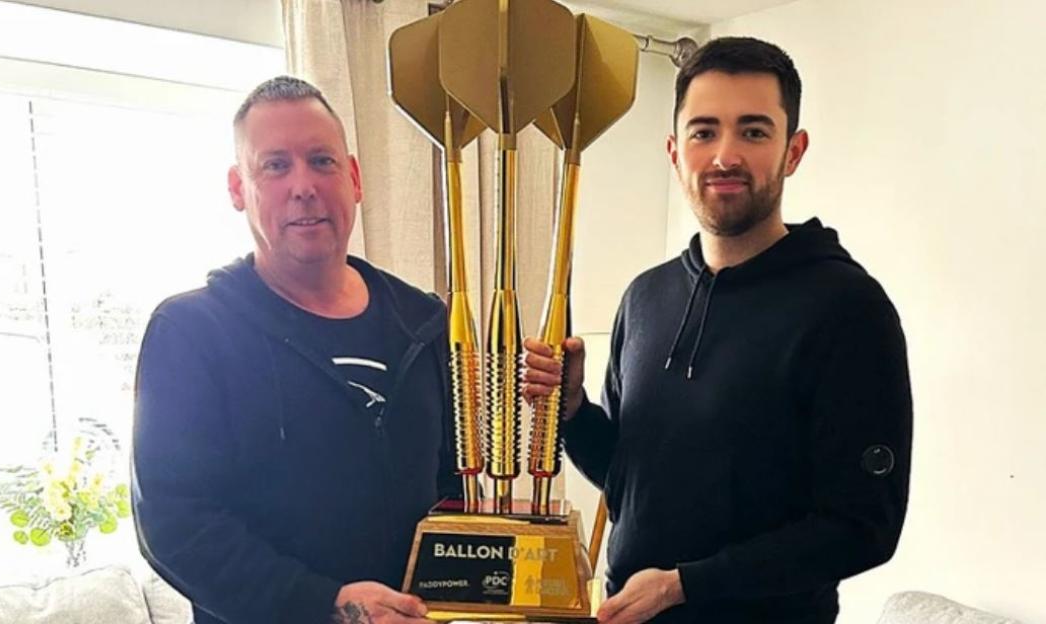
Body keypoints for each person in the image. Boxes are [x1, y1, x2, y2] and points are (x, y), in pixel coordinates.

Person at [523, 37, 912, 624]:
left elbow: (863, 527)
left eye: (753, 131)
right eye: (704, 132)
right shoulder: (645, 297)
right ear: (675, 151)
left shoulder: (847, 308)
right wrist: (573, 410)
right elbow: (630, 481)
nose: (725, 155)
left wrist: (684, 586)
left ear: (793, 151)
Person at [132, 76, 459, 624]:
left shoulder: (423, 321)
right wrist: (326, 605)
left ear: (354, 178)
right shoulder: (190, 331)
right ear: (238, 188)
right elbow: (173, 524)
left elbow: (450, 486)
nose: (303, 186)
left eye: (321, 161)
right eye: (276, 166)